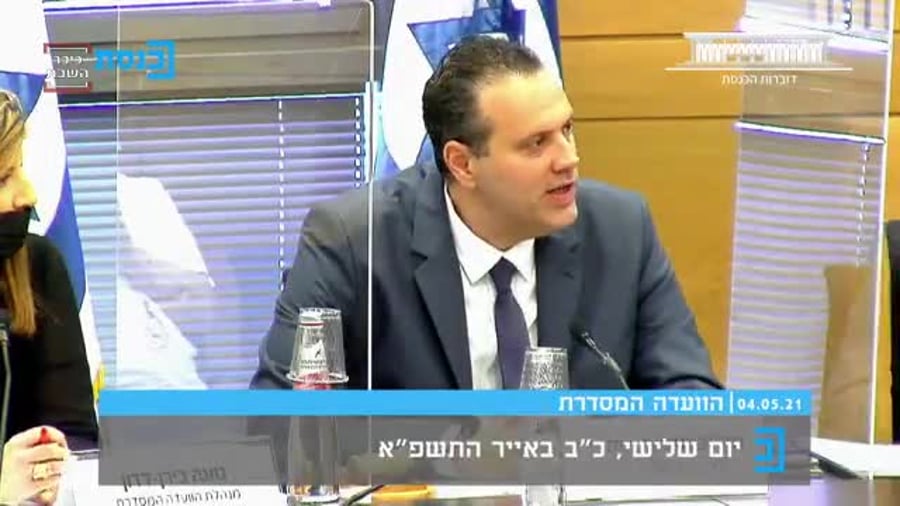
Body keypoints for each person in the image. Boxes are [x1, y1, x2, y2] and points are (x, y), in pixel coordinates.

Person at [251, 36, 721, 391]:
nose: (569, 159)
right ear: (462, 163)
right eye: (536, 143)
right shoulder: (352, 241)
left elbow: (692, 399)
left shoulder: (621, 230)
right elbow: (280, 420)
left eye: (567, 130)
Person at [0, 90, 98, 504]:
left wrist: (53, 472)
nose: (28, 195)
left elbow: (74, 436)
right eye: (4, 178)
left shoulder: (36, 266)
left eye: (20, 169)